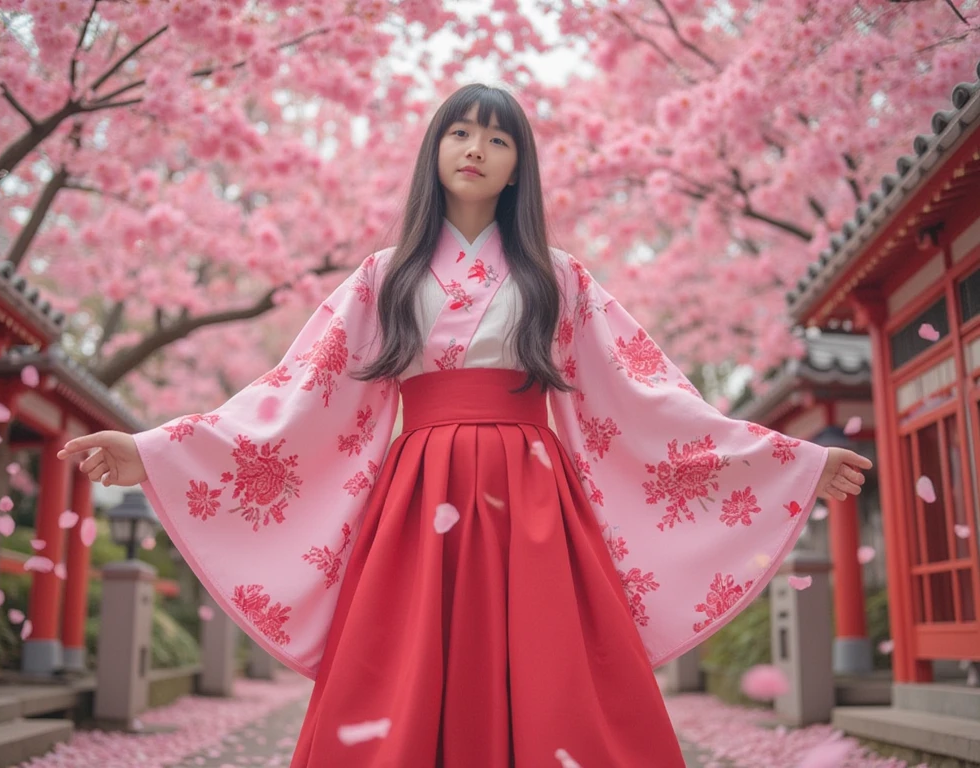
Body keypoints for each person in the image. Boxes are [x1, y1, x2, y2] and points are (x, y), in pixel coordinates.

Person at [58, 83, 871, 767]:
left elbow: (646, 398)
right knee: (406, 666)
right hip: (418, 497)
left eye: (497, 139)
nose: (476, 149)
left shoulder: (558, 277)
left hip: (534, 495)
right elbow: (297, 392)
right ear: (435, 150)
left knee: (549, 668)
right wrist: (156, 451)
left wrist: (788, 461)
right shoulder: (385, 276)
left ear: (519, 166)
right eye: (460, 132)